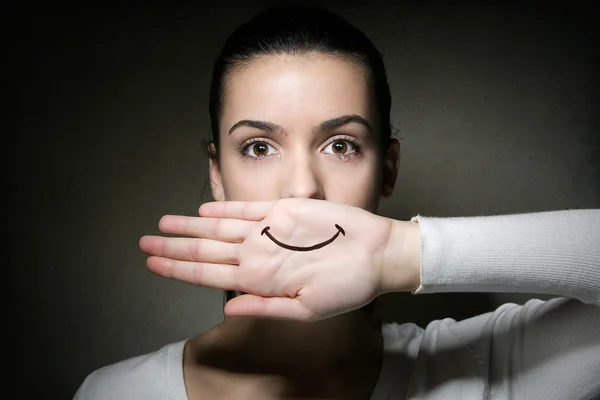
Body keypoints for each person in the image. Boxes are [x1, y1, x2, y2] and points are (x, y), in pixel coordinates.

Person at [74, 4, 600, 399]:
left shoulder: (488, 370)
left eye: (341, 145)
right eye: (258, 147)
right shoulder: (116, 393)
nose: (302, 188)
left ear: (387, 168)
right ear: (217, 174)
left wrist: (399, 251)